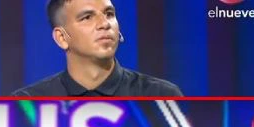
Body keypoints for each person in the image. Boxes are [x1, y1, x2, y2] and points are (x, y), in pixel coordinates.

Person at [13, 0, 182, 97]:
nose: (104, 24)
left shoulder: (160, 96)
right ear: (62, 38)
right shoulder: (29, 103)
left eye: (109, 14)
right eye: (87, 17)